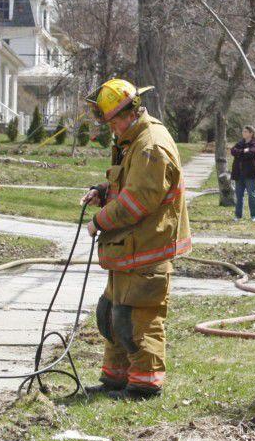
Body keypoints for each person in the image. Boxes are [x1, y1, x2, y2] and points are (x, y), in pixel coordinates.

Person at [82, 77, 191, 400]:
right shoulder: (133, 140)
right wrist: (104, 192)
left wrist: (99, 221)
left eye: (113, 121)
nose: (111, 129)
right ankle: (115, 378)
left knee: (137, 319)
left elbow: (138, 202)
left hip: (147, 248)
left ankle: (145, 384)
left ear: (129, 113)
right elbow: (128, 187)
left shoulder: (150, 146)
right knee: (111, 314)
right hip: (128, 247)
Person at [230, 126, 255, 222]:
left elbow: (252, 152)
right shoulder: (240, 143)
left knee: (251, 195)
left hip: (250, 174)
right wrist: (243, 151)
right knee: (239, 196)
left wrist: (240, 153)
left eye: (246, 131)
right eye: (243, 131)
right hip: (238, 174)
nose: (243, 133)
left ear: (251, 133)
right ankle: (238, 216)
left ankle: (254, 216)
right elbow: (233, 151)